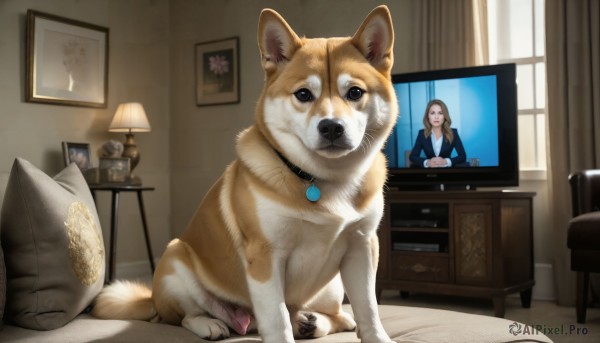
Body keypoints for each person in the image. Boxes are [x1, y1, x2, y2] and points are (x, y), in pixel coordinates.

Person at [409, 99, 466, 168]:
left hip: (448, 174)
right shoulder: (422, 134)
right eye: (432, 113)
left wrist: (446, 161)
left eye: (440, 113)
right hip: (429, 174)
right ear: (428, 116)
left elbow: (463, 156)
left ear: (445, 116)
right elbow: (413, 157)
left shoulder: (453, 133)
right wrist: (427, 162)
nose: (436, 117)